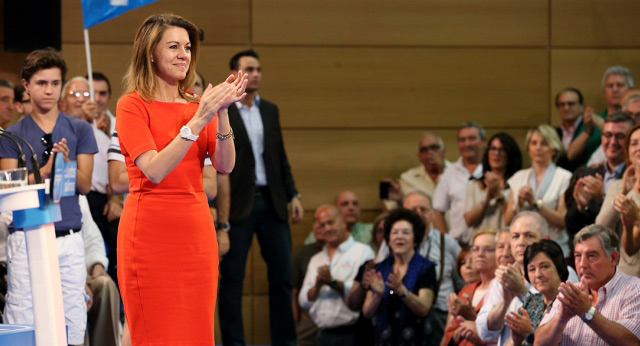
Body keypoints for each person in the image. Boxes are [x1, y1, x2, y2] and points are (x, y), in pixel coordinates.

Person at [115, 13, 247, 345]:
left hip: (196, 235)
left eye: (187, 47)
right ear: (150, 53)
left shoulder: (196, 106)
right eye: (173, 46)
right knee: (155, 333)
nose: (183, 55)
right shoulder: (131, 105)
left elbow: (225, 165)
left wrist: (222, 111)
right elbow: (155, 169)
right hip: (148, 236)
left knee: (196, 332)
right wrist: (199, 119)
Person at [0, 48, 98, 346]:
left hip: (68, 238)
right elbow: (8, 187)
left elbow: (83, 185)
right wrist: (44, 171)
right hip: (26, 238)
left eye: (55, 83)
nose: (49, 91)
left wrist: (65, 166)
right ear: (26, 86)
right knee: (22, 321)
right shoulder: (10, 135)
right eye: (42, 83)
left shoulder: (80, 129)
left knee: (71, 321)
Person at [217, 49, 303, 346]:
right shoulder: (224, 108)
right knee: (232, 281)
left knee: (281, 278)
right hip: (239, 204)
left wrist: (293, 193)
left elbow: (279, 156)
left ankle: (285, 341)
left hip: (272, 201)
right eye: (249, 69)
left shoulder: (270, 110)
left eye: (258, 69)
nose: (255, 74)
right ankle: (233, 342)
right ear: (235, 73)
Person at [476, 212, 578, 346]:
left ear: (545, 239)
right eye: (515, 236)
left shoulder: (564, 273)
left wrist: (521, 291)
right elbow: (485, 333)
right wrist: (505, 302)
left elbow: (569, 333)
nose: (521, 242)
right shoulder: (502, 277)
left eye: (529, 236)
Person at [376, 191, 463, 346]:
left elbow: (461, 282)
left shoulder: (447, 242)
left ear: (432, 214)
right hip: (398, 316)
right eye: (412, 210)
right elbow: (379, 275)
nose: (418, 214)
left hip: (440, 316)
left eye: (423, 209)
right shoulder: (390, 243)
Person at [534, 225, 640, 345]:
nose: (582, 264)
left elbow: (632, 342)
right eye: (578, 256)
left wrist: (587, 312)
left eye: (592, 256)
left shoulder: (634, 290)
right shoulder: (570, 293)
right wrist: (561, 318)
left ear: (613, 258)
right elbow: (539, 344)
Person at [298, 205, 374, 346]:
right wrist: (318, 285)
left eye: (331, 222)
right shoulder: (317, 259)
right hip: (322, 334)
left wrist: (332, 282)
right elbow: (303, 300)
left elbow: (362, 293)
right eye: (322, 225)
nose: (327, 228)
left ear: (344, 221)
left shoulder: (363, 252)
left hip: (352, 333)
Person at [363, 208, 436, 346]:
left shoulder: (425, 268)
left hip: (416, 338)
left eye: (406, 232)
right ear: (388, 239)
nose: (399, 237)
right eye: (395, 232)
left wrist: (402, 291)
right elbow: (367, 312)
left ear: (415, 240)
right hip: (385, 339)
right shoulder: (379, 269)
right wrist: (377, 295)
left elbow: (424, 308)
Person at [505, 124, 572, 257]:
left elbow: (563, 221)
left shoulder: (564, 177)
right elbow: (507, 222)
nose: (538, 148)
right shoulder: (519, 177)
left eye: (544, 143)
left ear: (554, 149)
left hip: (555, 249)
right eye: (534, 143)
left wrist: (535, 202)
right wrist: (518, 204)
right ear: (528, 148)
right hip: (524, 251)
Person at [565, 112, 634, 239]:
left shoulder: (634, 177)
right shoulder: (589, 174)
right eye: (608, 135)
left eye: (619, 136)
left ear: (630, 141)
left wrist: (600, 199)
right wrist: (581, 207)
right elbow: (571, 226)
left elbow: (618, 224)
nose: (612, 142)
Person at [505, 239, 568, 346]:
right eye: (532, 269)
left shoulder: (570, 303)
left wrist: (529, 333)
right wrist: (516, 340)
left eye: (544, 266)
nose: (538, 274)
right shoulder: (530, 301)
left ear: (559, 268)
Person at [441, 229, 497, 346]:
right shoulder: (466, 290)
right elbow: (450, 333)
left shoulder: (504, 291)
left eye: (488, 249)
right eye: (475, 249)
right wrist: (457, 334)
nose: (480, 254)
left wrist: (472, 318)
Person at [433, 122, 486, 244]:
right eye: (462, 140)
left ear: (484, 141)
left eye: (472, 139)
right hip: (458, 244)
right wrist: (446, 242)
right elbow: (438, 210)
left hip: (488, 244)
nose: (467, 144)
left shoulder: (491, 169)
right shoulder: (449, 172)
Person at [599, 122, 640, 277]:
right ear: (628, 151)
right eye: (634, 143)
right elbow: (601, 227)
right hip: (624, 276)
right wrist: (622, 193)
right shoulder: (618, 186)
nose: (638, 148)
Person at [465, 132, 522, 233]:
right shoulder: (474, 184)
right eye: (493, 149)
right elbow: (469, 221)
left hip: (504, 242)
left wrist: (498, 194)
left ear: (510, 154)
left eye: (502, 150)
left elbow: (513, 220)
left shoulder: (517, 184)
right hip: (480, 243)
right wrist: (486, 200)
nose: (496, 153)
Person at [581, 66, 634, 166]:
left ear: (630, 89)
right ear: (604, 90)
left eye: (620, 85)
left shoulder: (634, 121)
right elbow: (570, 155)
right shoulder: (592, 120)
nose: (615, 89)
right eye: (610, 86)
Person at [384, 132, 449, 209]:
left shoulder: (460, 173)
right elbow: (387, 210)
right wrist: (400, 200)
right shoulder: (407, 178)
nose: (429, 153)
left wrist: (442, 170)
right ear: (419, 156)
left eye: (434, 148)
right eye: (424, 150)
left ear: (443, 151)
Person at [292, 213, 325, 346]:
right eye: (315, 222)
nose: (318, 226)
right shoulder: (304, 252)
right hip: (308, 319)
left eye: (323, 223)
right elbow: (293, 289)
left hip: (338, 322)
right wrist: (296, 321)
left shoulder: (351, 253)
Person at [553, 87, 600, 171]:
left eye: (570, 104)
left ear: (581, 106)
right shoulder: (554, 133)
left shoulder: (591, 128)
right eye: (562, 104)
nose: (566, 108)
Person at [305, 190, 373, 245]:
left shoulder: (371, 230)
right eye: (345, 204)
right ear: (334, 209)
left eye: (355, 204)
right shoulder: (320, 233)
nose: (351, 208)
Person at [87, 72, 115, 136]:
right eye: (92, 92)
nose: (97, 99)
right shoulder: (71, 125)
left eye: (102, 93)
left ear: (109, 97)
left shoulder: (119, 126)